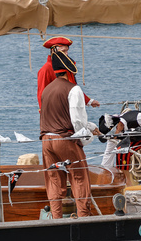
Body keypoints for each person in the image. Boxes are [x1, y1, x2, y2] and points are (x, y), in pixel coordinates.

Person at [39, 47, 100, 218]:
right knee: (79, 177)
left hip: (46, 140)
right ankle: (83, 217)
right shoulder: (74, 89)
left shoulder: (47, 90)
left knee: (53, 179)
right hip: (64, 139)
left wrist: (88, 127)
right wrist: (87, 136)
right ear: (70, 71)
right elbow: (77, 120)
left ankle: (56, 218)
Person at [36, 36, 99, 110]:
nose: (66, 54)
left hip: (69, 108)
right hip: (56, 109)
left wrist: (89, 101)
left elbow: (72, 86)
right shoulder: (45, 69)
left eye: (67, 51)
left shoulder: (67, 67)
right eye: (63, 51)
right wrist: (44, 112)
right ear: (53, 51)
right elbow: (42, 94)